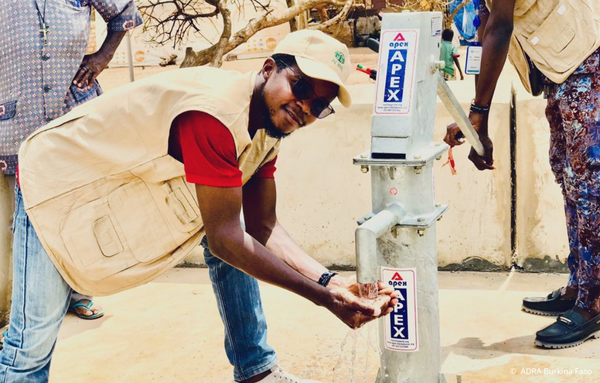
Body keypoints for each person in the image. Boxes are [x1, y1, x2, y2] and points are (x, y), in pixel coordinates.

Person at [0, 30, 398, 382]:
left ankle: (255, 368)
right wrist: (326, 300)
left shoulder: (269, 128)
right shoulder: (215, 114)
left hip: (109, 182)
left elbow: (263, 227)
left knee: (235, 238)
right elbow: (225, 240)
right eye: (301, 87)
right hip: (53, 181)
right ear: (268, 69)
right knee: (31, 342)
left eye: (319, 105)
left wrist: (330, 281)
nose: (305, 107)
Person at [444, 0, 600, 349]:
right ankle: (580, 286)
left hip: (588, 60)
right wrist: (476, 121)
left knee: (590, 187)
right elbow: (485, 31)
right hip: (560, 70)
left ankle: (593, 302)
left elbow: (501, 27)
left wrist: (478, 114)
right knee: (570, 179)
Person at [0, 0, 144, 330]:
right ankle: (18, 310)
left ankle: (78, 290)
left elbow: (126, 14)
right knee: (18, 218)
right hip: (16, 116)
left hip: (71, 109)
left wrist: (103, 57)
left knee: (77, 208)